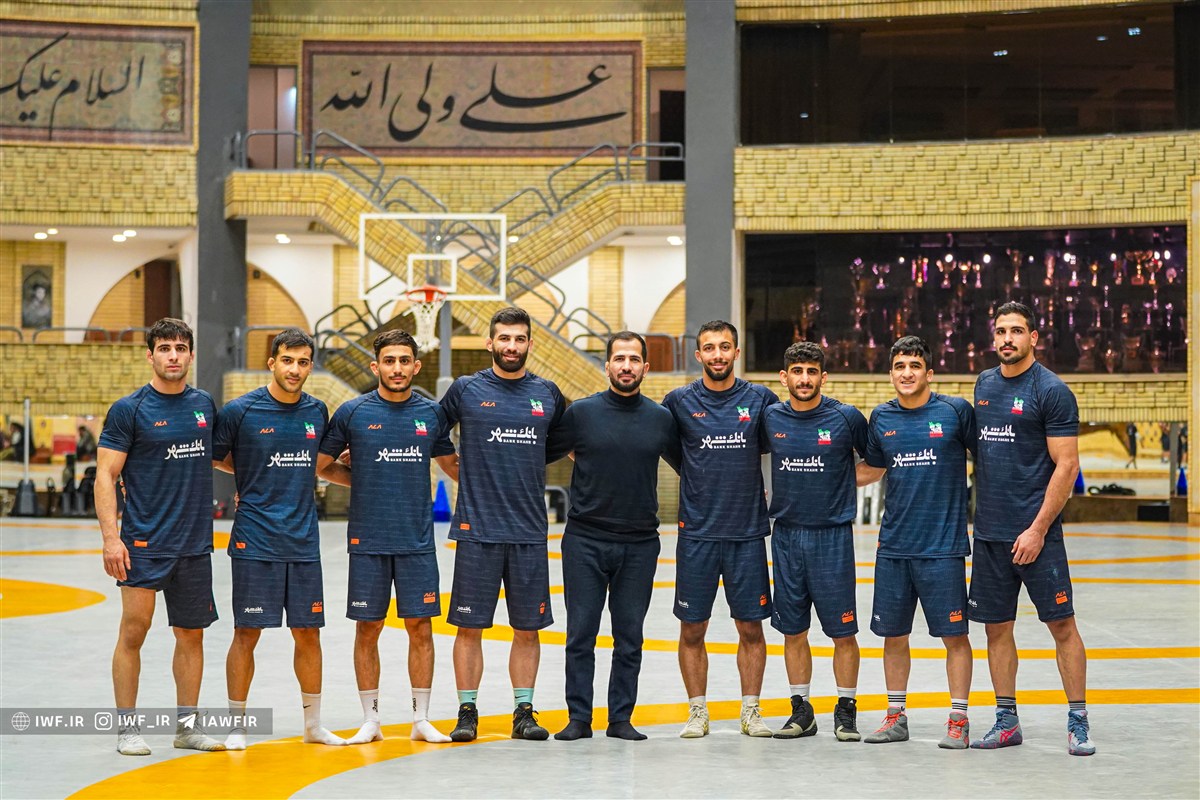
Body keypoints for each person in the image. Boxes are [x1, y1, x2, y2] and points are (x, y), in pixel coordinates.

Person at [316, 330, 459, 745]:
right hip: (369, 540)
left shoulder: (431, 414)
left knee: (421, 627)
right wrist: (359, 477)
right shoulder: (353, 412)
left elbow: (451, 464)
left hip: (416, 541)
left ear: (416, 366)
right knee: (368, 628)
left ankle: (421, 719)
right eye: (389, 360)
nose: (397, 368)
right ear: (375, 365)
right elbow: (321, 465)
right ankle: (371, 720)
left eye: (404, 361)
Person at [438, 307, 569, 742]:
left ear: (530, 343)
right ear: (490, 342)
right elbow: (433, 434)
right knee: (469, 626)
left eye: (519, 338)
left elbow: (568, 442)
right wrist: (460, 471)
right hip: (477, 529)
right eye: (504, 338)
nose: (511, 346)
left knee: (527, 628)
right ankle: (467, 711)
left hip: (529, 531)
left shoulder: (547, 393)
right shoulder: (466, 389)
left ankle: (523, 712)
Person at [95, 318, 224, 756]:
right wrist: (111, 539)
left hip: (194, 545)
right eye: (165, 348)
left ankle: (187, 728)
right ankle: (127, 730)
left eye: (180, 348)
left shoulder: (203, 404)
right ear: (150, 355)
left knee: (192, 636)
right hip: (144, 544)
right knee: (134, 631)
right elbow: (106, 475)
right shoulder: (129, 409)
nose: (173, 356)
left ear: (191, 355)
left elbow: (219, 457)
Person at [970, 301, 1094, 756]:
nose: (1008, 338)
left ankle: (1078, 720)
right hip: (990, 535)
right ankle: (1007, 721)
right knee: (996, 629)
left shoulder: (1052, 390)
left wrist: (1038, 529)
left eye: (1017, 330)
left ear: (1034, 337)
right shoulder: (984, 384)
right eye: (1001, 330)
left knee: (1062, 626)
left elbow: (1067, 465)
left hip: (1038, 537)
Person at [213, 328, 344, 749]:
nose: (295, 369)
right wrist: (251, 471)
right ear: (272, 362)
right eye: (287, 360)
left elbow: (320, 465)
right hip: (255, 538)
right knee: (247, 632)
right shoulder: (240, 411)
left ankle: (313, 725)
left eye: (303, 362)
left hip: (303, 540)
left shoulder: (317, 411)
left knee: (309, 633)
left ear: (310, 366)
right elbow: (215, 456)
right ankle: (237, 725)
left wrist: (366, 475)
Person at [551, 331, 680, 742]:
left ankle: (620, 718)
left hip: (640, 544)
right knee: (580, 635)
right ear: (607, 365)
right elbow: (539, 452)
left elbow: (692, 468)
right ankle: (578, 718)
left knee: (629, 638)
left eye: (634, 359)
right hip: (584, 540)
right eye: (619, 359)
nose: (626, 366)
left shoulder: (660, 419)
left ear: (646, 367)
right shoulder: (581, 414)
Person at [856, 336, 974, 749]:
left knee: (954, 638)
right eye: (899, 366)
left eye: (915, 365)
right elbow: (872, 469)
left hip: (943, 548)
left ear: (930, 372)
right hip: (894, 547)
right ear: (891, 374)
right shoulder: (881, 417)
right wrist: (812, 478)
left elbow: (990, 458)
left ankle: (958, 718)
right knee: (893, 636)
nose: (907, 373)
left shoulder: (955, 412)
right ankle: (895, 716)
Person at [662, 320, 779, 738]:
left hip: (746, 533)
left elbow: (777, 443)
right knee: (693, 628)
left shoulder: (760, 399)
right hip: (697, 533)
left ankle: (751, 711)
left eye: (724, 347)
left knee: (751, 627)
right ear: (699, 355)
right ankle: (697, 711)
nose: (717, 355)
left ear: (736, 353)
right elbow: (674, 452)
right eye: (709, 348)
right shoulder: (678, 402)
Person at [763, 341, 868, 742]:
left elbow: (876, 462)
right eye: (797, 371)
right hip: (786, 535)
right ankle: (801, 710)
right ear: (784, 377)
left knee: (843, 632)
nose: (804, 379)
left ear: (823, 377)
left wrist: (838, 483)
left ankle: (846, 709)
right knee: (793, 631)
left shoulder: (846, 417)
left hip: (832, 536)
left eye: (811, 372)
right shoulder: (771, 416)